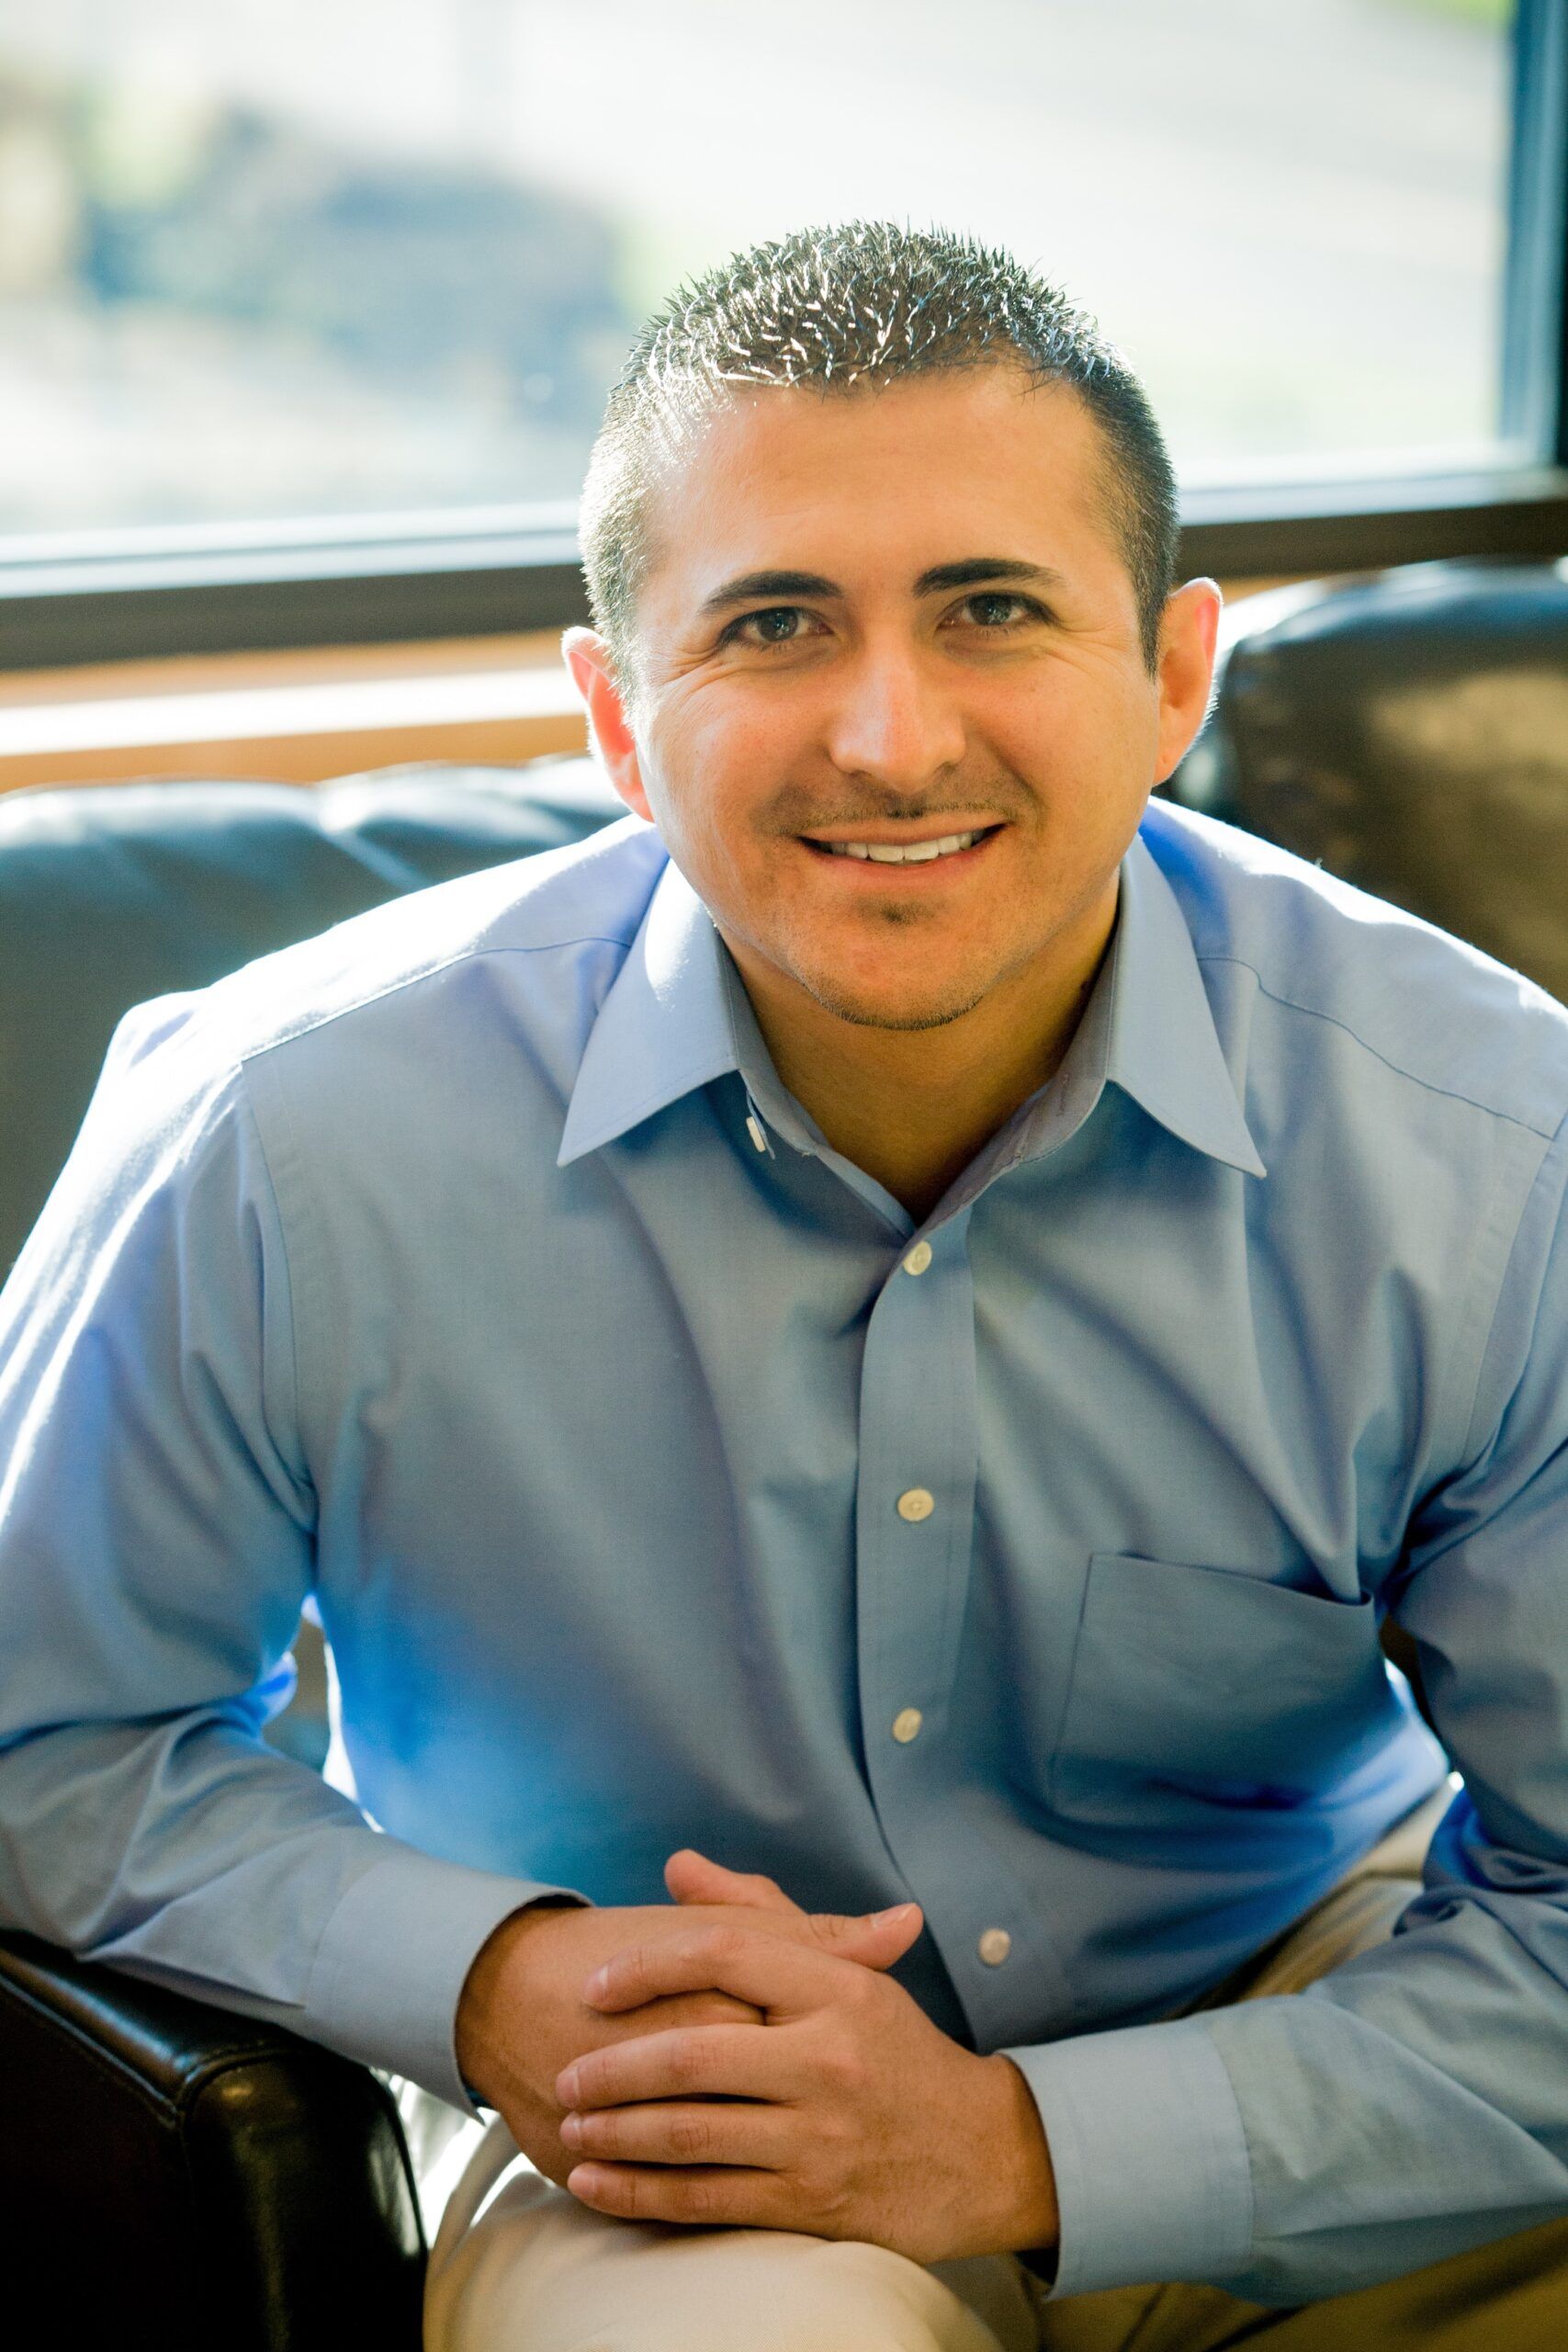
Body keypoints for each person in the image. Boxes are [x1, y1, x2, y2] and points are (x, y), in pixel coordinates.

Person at [2, 220, 1567, 2352]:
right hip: (661, 2117)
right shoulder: (280, 1127)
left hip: (1304, 2024)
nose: (887, 737)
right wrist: (488, 1972)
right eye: (771, 624)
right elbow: (43, 1734)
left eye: (990, 607)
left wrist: (1013, 2144)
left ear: (1170, 674)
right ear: (615, 715)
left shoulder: (1494, 1149)